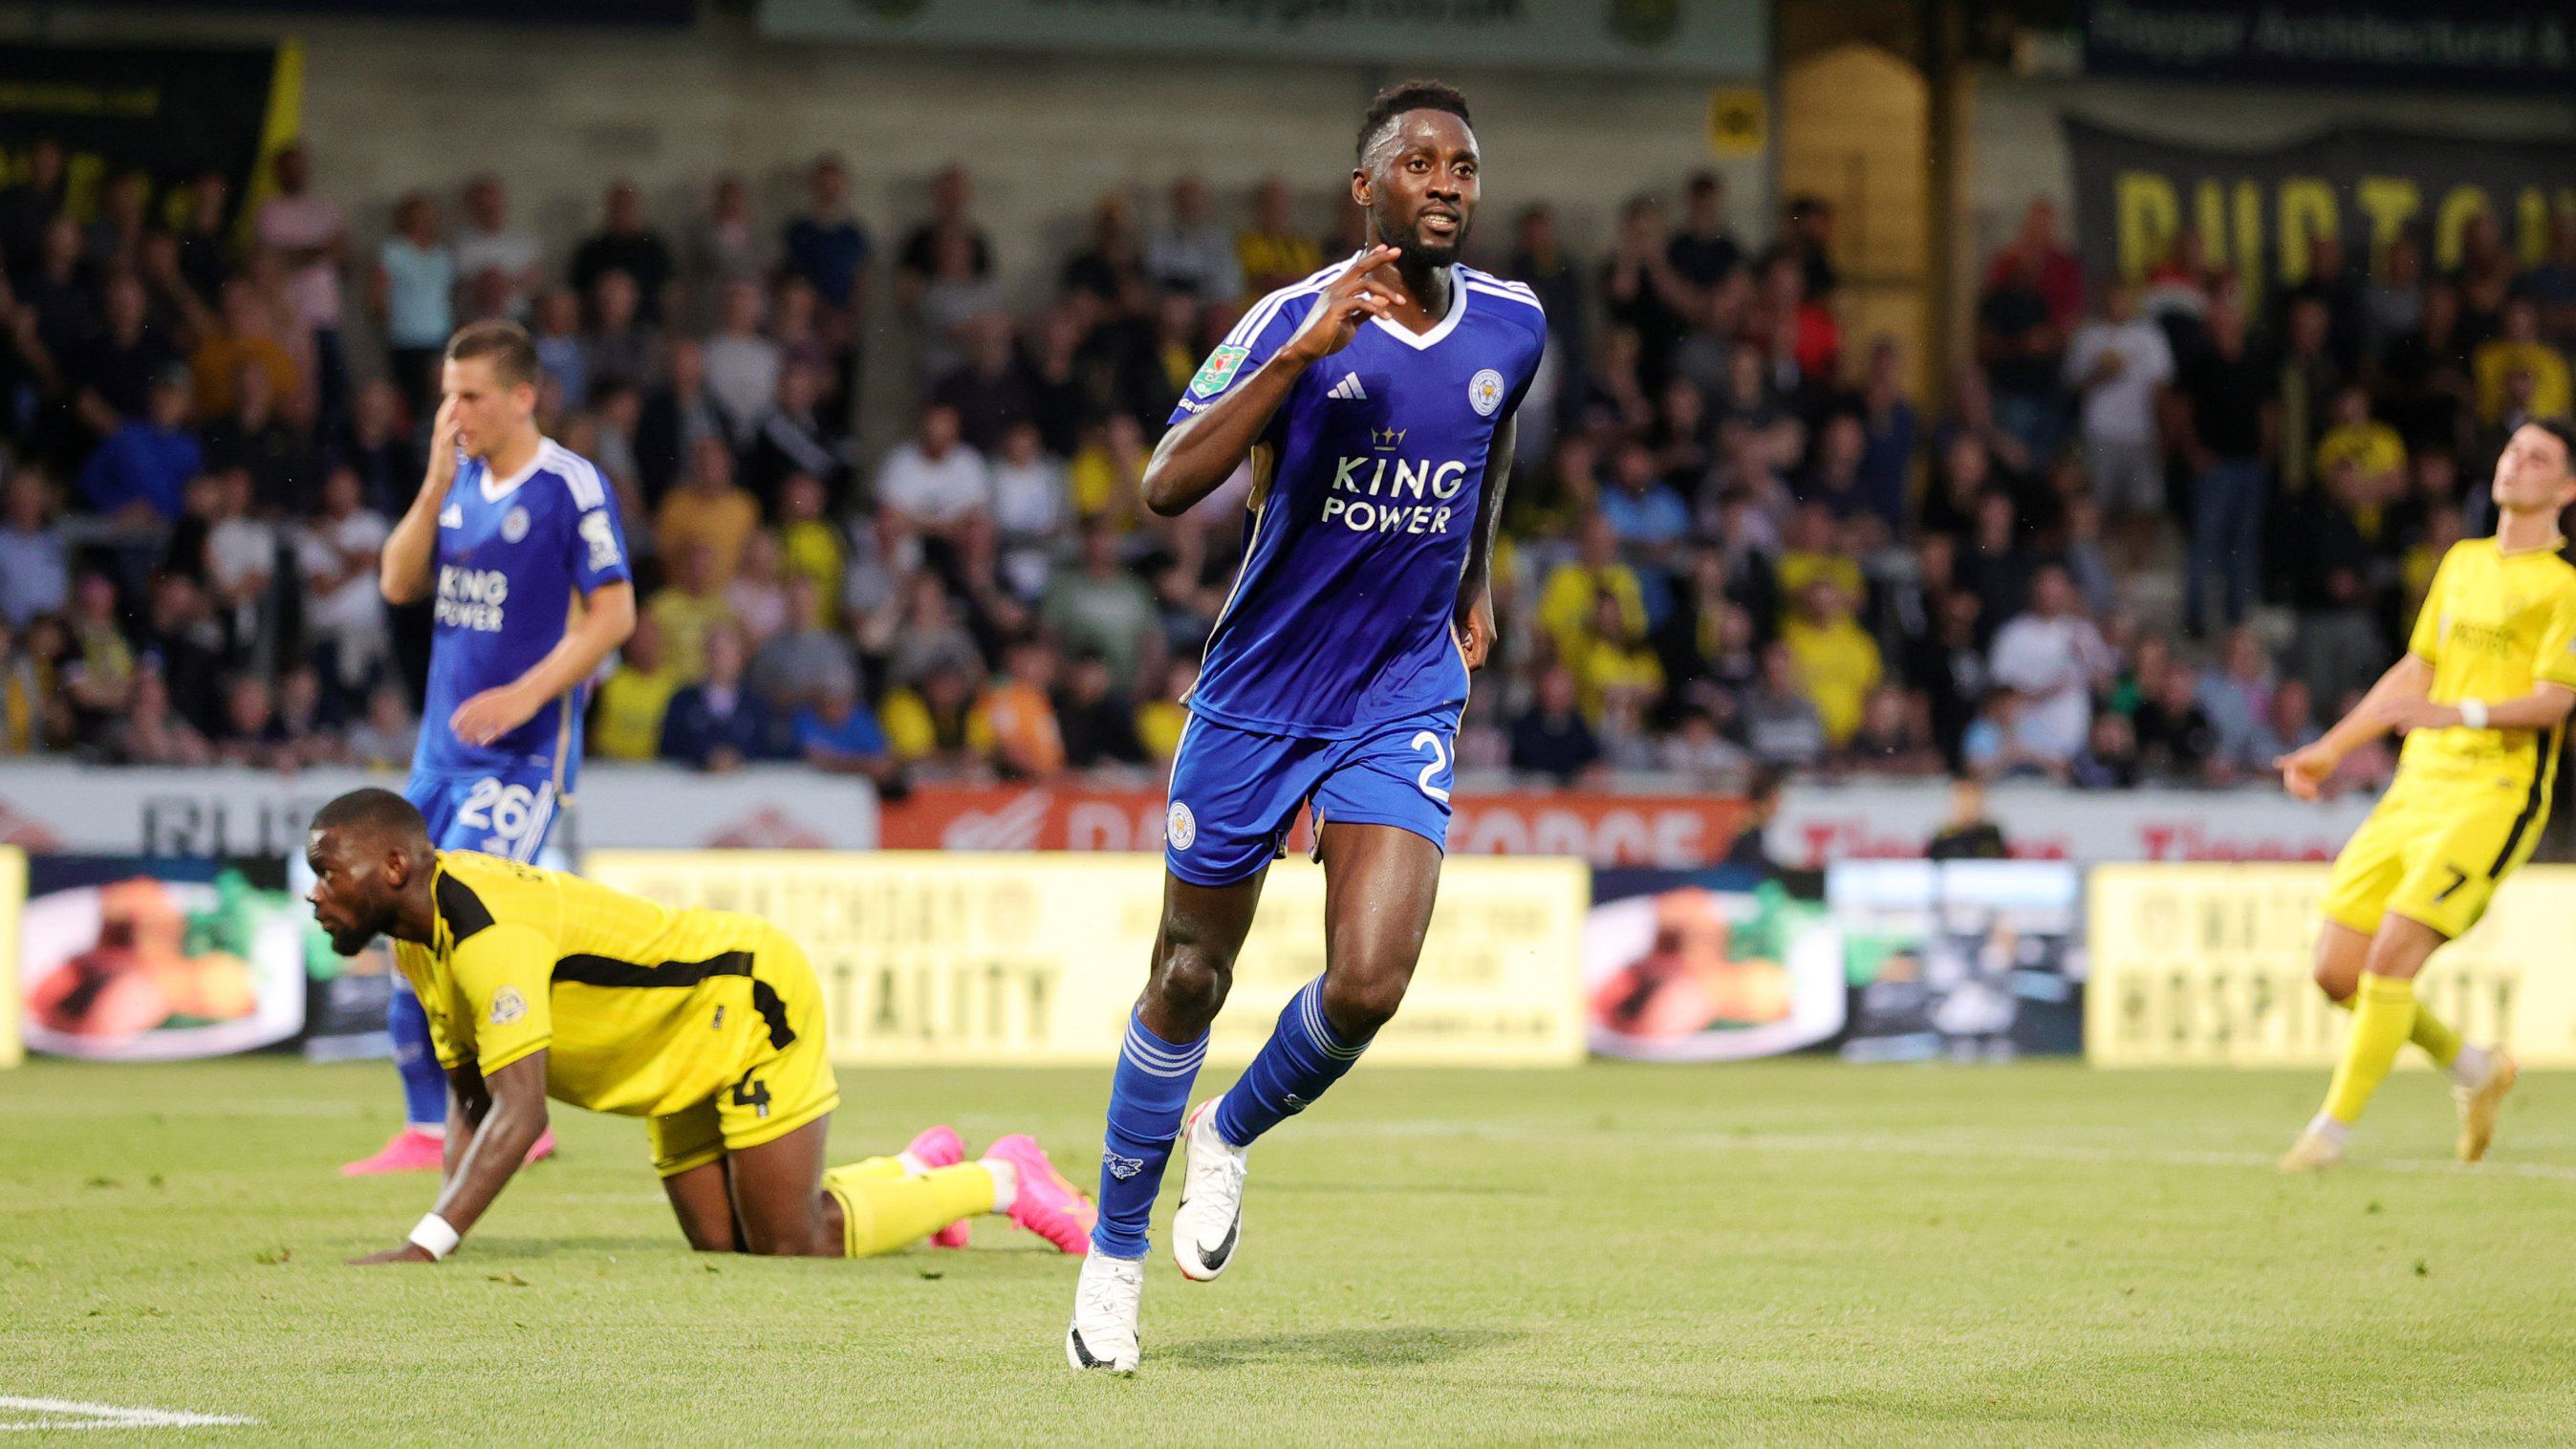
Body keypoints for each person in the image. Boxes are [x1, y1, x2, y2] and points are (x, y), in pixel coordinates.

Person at [1064, 80, 1543, 1374]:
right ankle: (1110, 1262)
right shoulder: (1292, 319)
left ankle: (1223, 1133)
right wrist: (1292, 360)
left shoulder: (1516, 323)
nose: (1446, 182)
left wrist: (1475, 574)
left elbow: (1487, 450)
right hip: (1262, 691)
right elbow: (1164, 487)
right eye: (1420, 164)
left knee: (1372, 980)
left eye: (1464, 166)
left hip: (1397, 686)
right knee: (1187, 977)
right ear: (1367, 191)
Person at [303, 789, 1093, 1265]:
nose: (316, 894)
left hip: (742, 1001)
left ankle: (1000, 1180)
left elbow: (522, 1113)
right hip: (666, 1057)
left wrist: (431, 1242)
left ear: (395, 868)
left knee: (793, 1245)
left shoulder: (485, 933)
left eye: (328, 873)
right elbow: (471, 1099)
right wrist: (442, 1214)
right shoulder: (419, 944)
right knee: (725, 1247)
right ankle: (911, 1172)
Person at [346, 320, 637, 1179]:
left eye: (469, 395)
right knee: (404, 932)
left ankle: (521, 1117)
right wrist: (435, 482)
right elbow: (398, 583)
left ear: (522, 396)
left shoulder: (569, 486)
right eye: (446, 394)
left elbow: (616, 615)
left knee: (463, 926)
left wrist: (525, 695)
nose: (454, 411)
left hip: (518, 758)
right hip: (438, 756)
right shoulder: (460, 480)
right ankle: (420, 1128)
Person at [2274, 419, 2576, 1172]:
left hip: (2495, 791)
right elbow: (2415, 674)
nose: (2516, 464)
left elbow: (2554, 700)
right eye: (2511, 450)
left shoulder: (2563, 587)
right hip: (2419, 783)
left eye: (2537, 458)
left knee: (2391, 955)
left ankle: (2326, 1136)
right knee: (2335, 973)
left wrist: (2459, 712)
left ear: (2565, 490)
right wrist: (2331, 748)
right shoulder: (2462, 562)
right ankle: (2475, 1069)